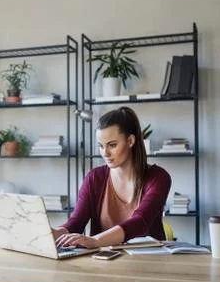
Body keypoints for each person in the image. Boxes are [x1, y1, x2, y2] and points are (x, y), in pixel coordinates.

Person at [54, 106, 171, 248]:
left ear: (130, 141)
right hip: (103, 262)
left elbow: (140, 222)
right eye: (101, 146)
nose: (105, 153)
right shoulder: (94, 178)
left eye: (112, 145)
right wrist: (54, 233)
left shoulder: (158, 178)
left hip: (147, 262)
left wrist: (95, 241)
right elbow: (76, 223)